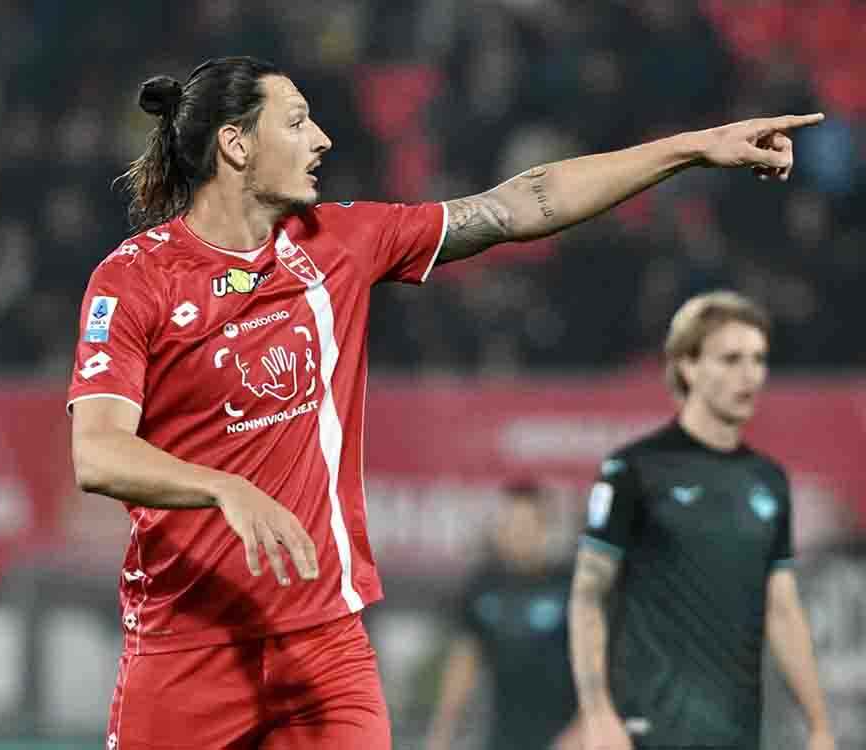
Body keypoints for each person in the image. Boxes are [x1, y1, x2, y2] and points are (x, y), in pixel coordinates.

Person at [66, 55, 821, 750]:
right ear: (235, 145)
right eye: (296, 122)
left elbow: (520, 205)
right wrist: (222, 488)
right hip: (187, 647)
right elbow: (97, 453)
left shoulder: (339, 241)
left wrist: (694, 148)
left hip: (324, 645)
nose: (322, 139)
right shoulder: (134, 280)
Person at [568, 291, 835, 750]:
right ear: (688, 367)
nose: (749, 375)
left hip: (737, 736)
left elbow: (783, 609)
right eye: (731, 359)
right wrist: (596, 714)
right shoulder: (633, 470)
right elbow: (588, 595)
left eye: (758, 359)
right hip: (645, 733)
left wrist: (819, 726)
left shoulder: (769, 481)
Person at [425, 481, 579, 750]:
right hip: (501, 736)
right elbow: (465, 660)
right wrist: (442, 733)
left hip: (564, 736)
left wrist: (584, 725)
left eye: (527, 525)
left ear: (546, 528)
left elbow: (598, 664)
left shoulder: (571, 586)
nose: (519, 534)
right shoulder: (483, 586)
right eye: (511, 524)